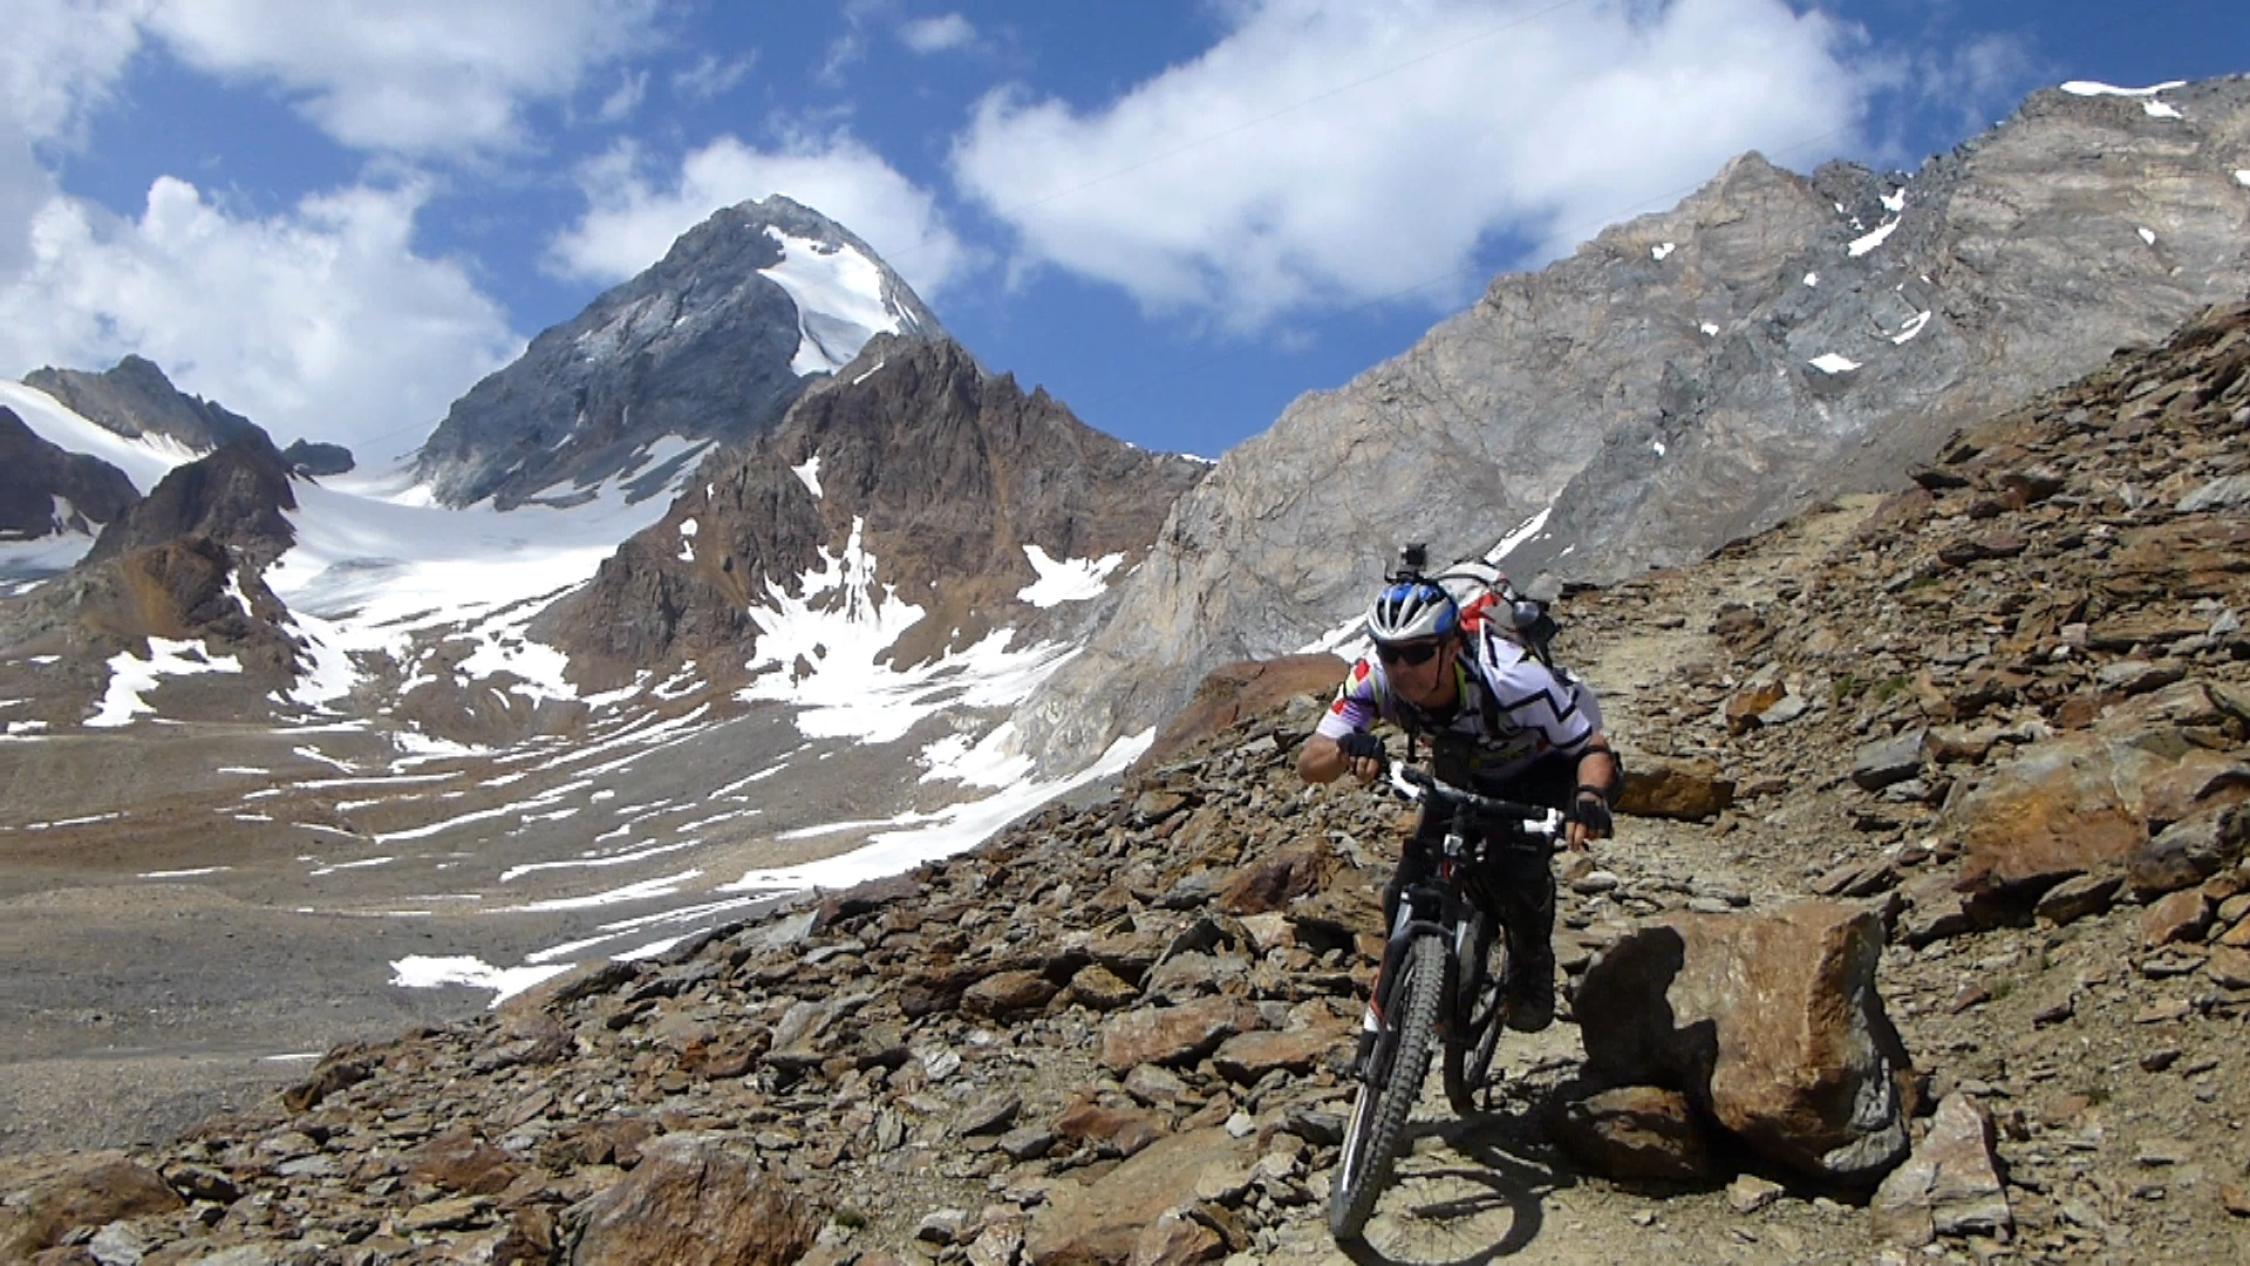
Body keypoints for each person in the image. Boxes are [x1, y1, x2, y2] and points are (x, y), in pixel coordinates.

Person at [1296, 572, 1620, 1032]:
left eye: (1419, 653)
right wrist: (1347, 748)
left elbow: (1591, 746)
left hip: (1541, 769)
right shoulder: (1373, 678)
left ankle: (1531, 962)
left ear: (1451, 648)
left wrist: (1588, 798)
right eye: (1391, 653)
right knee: (1404, 889)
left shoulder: (1512, 677)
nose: (1402, 668)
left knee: (1515, 875)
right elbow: (1310, 763)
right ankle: (1427, 999)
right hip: (1465, 767)